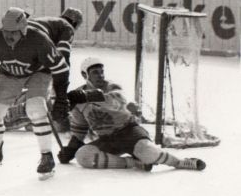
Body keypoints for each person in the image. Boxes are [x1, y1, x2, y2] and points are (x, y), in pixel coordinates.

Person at [0, 7, 71, 179]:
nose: (8, 36)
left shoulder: (39, 39)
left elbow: (61, 70)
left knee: (36, 108)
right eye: (5, 31)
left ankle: (47, 156)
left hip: (39, 72)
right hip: (10, 73)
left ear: (23, 30)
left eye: (14, 32)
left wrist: (61, 99)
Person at [57, 58, 206, 172]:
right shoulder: (78, 98)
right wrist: (71, 148)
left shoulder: (112, 87)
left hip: (130, 132)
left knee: (148, 152)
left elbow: (114, 101)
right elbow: (80, 127)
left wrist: (87, 96)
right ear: (85, 75)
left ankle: (179, 162)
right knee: (83, 156)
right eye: (95, 72)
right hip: (107, 139)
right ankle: (135, 163)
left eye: (102, 71)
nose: (100, 75)